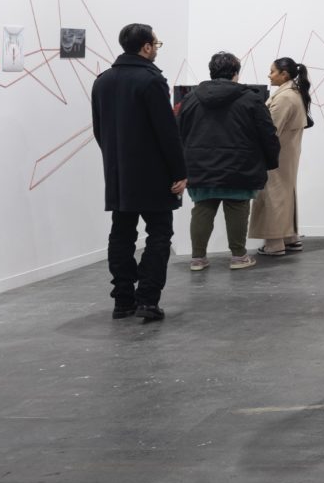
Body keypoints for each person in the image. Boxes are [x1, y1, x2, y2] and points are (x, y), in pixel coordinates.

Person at [91, 23, 188, 323]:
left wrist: (114, 159)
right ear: (146, 46)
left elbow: (99, 130)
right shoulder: (150, 81)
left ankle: (122, 300)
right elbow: (166, 132)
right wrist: (179, 171)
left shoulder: (103, 81)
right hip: (154, 174)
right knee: (159, 234)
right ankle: (147, 298)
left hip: (118, 172)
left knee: (121, 233)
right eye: (156, 44)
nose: (157, 49)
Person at [178, 51, 280, 271]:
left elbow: (179, 132)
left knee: (202, 209)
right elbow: (267, 133)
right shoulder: (251, 98)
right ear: (235, 73)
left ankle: (197, 259)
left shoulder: (190, 99)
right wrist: (270, 161)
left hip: (200, 165)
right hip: (240, 166)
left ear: (212, 72)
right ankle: (238, 256)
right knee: (237, 208)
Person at [251, 57, 311, 256]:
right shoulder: (292, 93)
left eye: (272, 71)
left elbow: (271, 130)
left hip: (276, 154)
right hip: (287, 152)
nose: (269, 75)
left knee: (274, 194)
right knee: (284, 193)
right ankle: (289, 238)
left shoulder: (285, 97)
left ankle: (275, 243)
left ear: (284, 74)